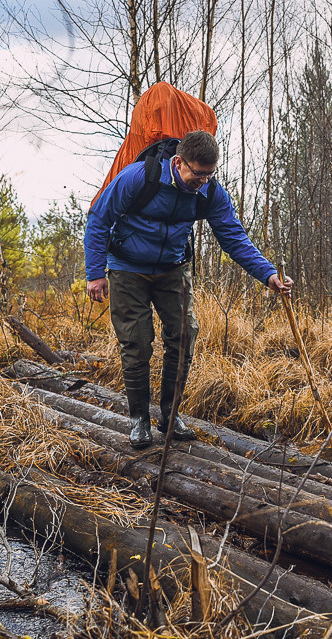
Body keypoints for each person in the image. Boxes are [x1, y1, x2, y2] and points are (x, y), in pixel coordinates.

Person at [85, 130, 293, 449]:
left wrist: (268, 274)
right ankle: (139, 419)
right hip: (128, 268)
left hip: (172, 268)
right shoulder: (137, 178)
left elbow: (233, 237)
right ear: (179, 162)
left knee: (184, 335)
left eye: (210, 174)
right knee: (137, 342)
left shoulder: (209, 192)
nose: (204, 181)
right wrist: (96, 272)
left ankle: (170, 415)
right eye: (199, 174)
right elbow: (99, 219)